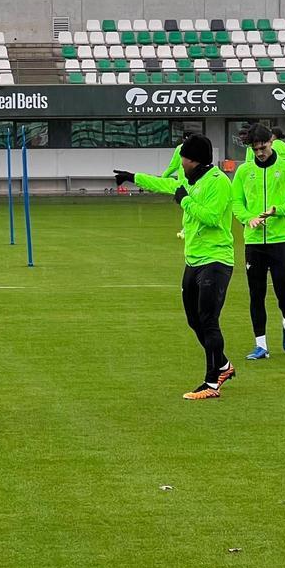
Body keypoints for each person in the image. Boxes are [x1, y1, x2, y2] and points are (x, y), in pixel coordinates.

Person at [114, 134, 236, 400]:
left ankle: (211, 384)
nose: (179, 161)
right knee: (194, 320)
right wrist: (133, 177)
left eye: (184, 157)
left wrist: (184, 200)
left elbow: (213, 218)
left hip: (216, 260)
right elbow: (163, 184)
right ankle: (224, 366)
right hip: (193, 259)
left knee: (209, 320)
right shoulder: (188, 178)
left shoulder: (219, 183)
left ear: (196, 160)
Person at [232, 125, 285, 360]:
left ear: (271, 142)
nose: (260, 152)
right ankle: (261, 345)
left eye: (263, 147)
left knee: (284, 293)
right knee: (256, 293)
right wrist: (247, 218)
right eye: (255, 149)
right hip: (254, 241)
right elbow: (236, 202)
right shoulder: (244, 171)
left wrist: (277, 210)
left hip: (281, 239)